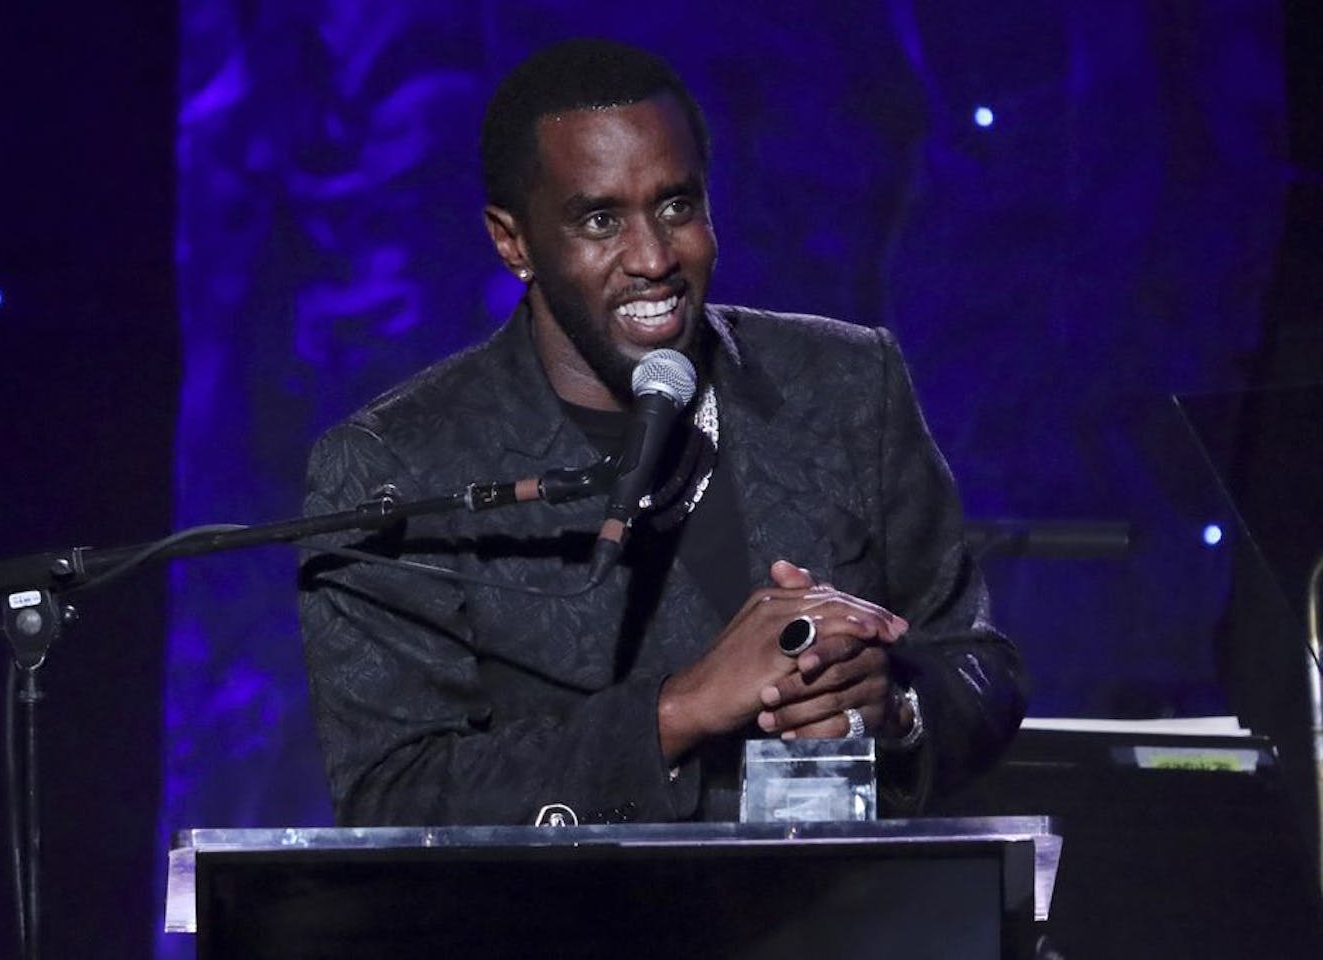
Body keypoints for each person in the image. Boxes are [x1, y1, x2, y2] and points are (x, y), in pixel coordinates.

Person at [300, 38, 1026, 827]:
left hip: (847, 917)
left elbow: (979, 665)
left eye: (677, 205)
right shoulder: (394, 467)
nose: (652, 257)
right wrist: (678, 711)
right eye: (600, 219)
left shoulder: (848, 382)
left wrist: (898, 708)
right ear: (513, 242)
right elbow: (395, 796)